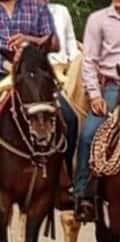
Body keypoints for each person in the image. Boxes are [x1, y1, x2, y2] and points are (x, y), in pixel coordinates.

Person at [75, 0, 120, 222]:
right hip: (113, 87)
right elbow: (89, 62)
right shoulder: (98, 20)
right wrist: (95, 95)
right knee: (88, 134)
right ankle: (83, 194)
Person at [0, 0, 78, 178]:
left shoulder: (36, 6)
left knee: (69, 118)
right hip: (3, 71)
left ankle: (64, 178)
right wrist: (10, 65)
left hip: (36, 75)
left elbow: (54, 44)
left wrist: (29, 40)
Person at [46, 1, 78, 70]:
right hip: (43, 67)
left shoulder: (62, 10)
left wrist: (73, 60)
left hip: (64, 64)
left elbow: (70, 38)